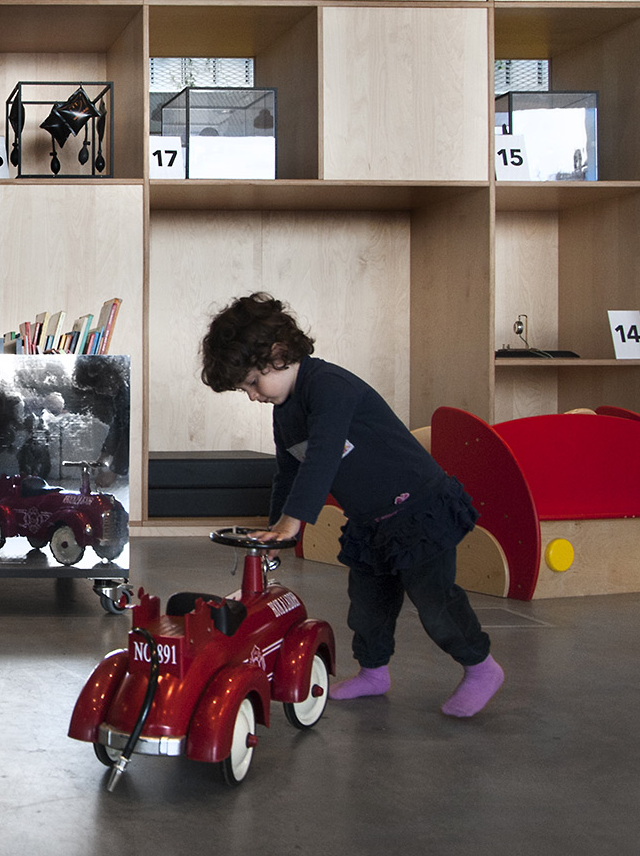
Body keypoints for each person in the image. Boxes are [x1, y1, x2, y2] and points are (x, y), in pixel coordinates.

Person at [199, 292, 504, 718]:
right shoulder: (285, 411)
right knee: (367, 606)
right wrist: (276, 531)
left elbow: (323, 456)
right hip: (371, 520)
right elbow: (289, 471)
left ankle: (481, 667)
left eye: (252, 383)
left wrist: (293, 521)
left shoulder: (330, 387)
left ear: (279, 353)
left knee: (435, 603)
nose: (252, 396)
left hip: (418, 510)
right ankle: (374, 673)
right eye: (244, 389)